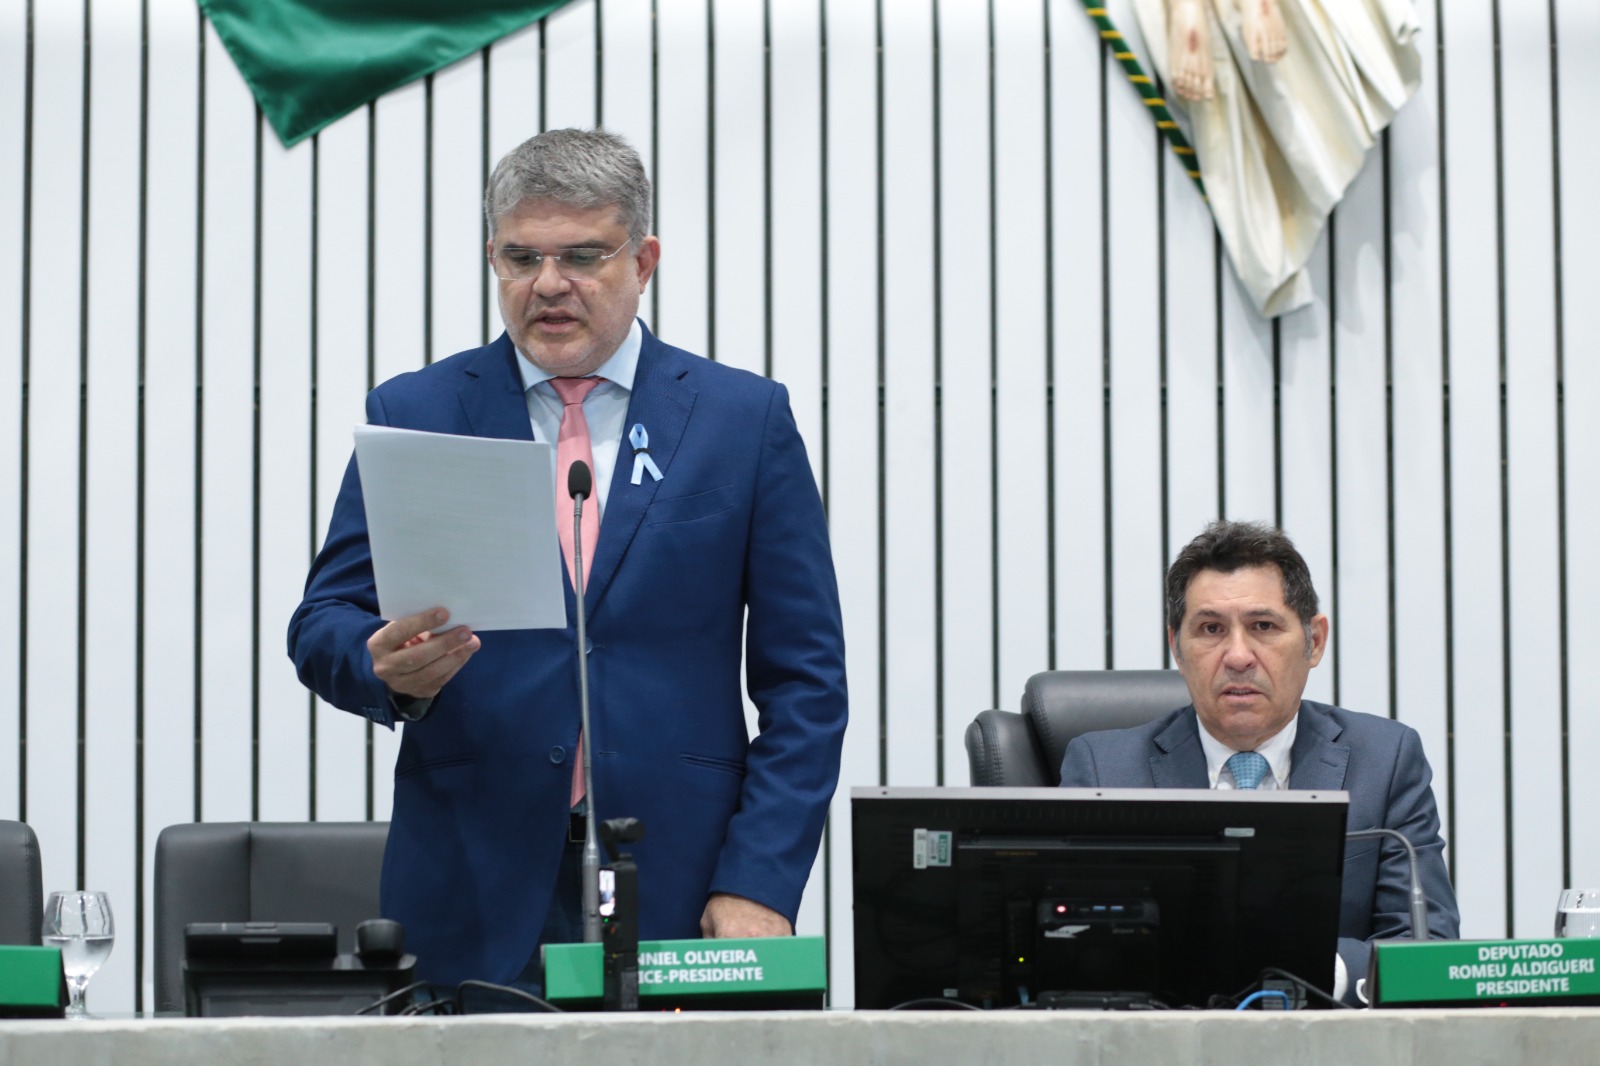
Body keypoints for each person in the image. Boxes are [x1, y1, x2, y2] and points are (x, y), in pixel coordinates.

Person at [288, 128, 848, 987]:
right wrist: (383, 668)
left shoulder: (743, 420)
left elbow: (806, 684)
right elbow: (323, 622)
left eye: (582, 256)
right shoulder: (419, 408)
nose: (548, 286)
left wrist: (759, 877)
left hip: (683, 876)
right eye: (521, 258)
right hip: (472, 878)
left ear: (645, 258)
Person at [1059, 519, 1458, 999]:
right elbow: (1072, 947)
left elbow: (1424, 946)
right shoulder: (1105, 770)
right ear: (1177, 648)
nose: (1238, 656)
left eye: (1263, 626)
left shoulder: (1385, 759)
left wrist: (1298, 967)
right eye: (1210, 629)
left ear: (1315, 641)